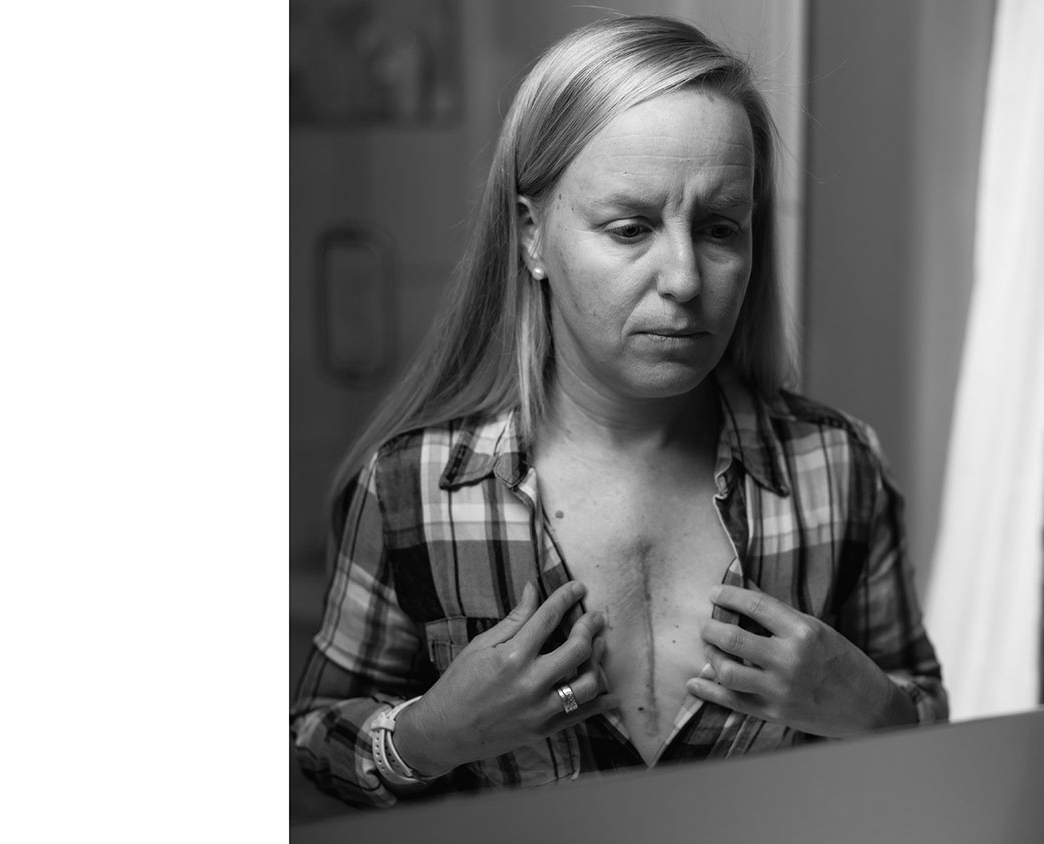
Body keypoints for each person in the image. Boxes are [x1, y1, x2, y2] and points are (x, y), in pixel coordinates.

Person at [290, 15, 949, 809]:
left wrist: (875, 713)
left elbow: (930, 723)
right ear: (532, 236)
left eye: (718, 229)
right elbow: (312, 749)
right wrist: (429, 736)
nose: (683, 277)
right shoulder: (412, 490)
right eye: (631, 228)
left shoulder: (838, 468)